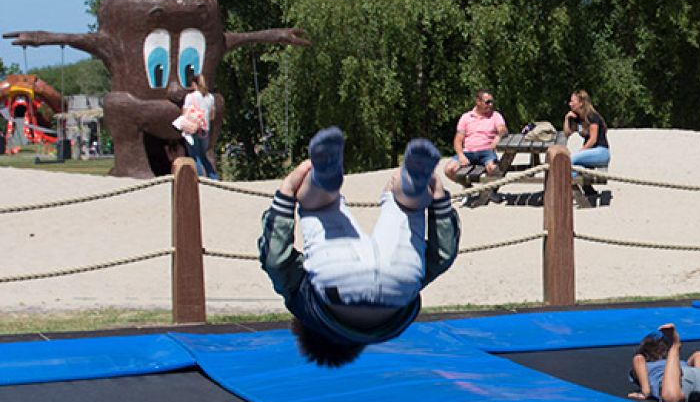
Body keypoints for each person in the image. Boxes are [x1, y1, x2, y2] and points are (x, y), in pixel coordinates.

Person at [260, 127, 460, 367]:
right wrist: (287, 192)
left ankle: (411, 186)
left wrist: (438, 199)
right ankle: (320, 181)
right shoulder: (303, 306)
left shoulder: (392, 327)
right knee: (317, 207)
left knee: (406, 207)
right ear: (303, 328)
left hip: (399, 284)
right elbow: (274, 259)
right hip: (334, 277)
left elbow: (442, 257)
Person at [442, 90, 507, 180]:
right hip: (468, 152)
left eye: (492, 102)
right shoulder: (466, 117)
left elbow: (503, 130)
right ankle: (467, 186)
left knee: (494, 169)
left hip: (486, 152)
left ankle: (487, 191)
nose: (490, 105)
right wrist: (461, 155)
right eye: (487, 102)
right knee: (449, 169)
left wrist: (498, 137)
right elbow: (458, 140)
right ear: (478, 102)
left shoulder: (495, 115)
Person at [180, 72, 219, 179]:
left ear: (194, 84)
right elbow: (212, 116)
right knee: (203, 155)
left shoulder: (190, 97)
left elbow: (185, 113)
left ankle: (200, 178)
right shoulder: (210, 97)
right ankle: (213, 176)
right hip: (205, 129)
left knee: (194, 156)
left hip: (192, 129)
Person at [563, 89, 610, 171]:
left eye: (572, 101)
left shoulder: (591, 116)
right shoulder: (578, 119)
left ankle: (565, 182)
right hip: (589, 152)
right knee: (575, 168)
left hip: (600, 151)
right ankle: (570, 183)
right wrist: (567, 119)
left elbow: (593, 139)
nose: (570, 104)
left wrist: (581, 151)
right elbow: (567, 133)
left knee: (572, 159)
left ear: (581, 103)